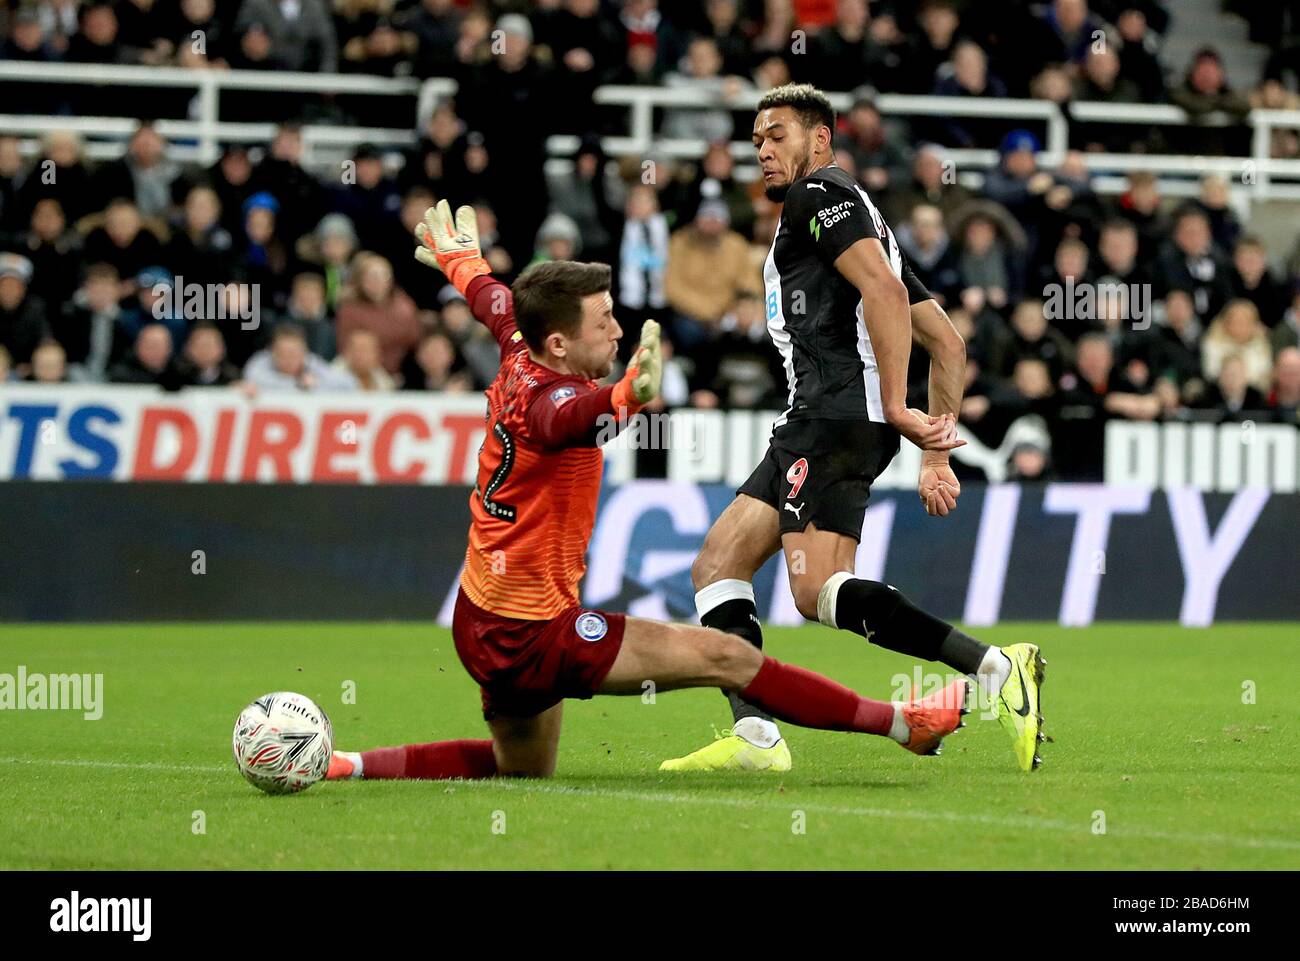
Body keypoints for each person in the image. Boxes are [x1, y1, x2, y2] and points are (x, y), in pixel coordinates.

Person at [323, 201, 970, 783]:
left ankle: (343, 764)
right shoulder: (554, 402)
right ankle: (900, 724)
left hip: (477, 617)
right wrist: (629, 393)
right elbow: (574, 418)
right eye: (603, 321)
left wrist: (461, 262)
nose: (617, 328)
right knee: (728, 656)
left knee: (518, 767)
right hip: (533, 631)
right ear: (560, 341)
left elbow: (493, 299)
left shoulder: (521, 343)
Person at [663, 84, 1047, 775]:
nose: (763, 150)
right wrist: (933, 450)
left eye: (776, 135)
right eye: (756, 140)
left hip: (833, 420)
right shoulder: (860, 221)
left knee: (816, 592)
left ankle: (994, 668)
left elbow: (889, 296)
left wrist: (899, 407)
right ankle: (755, 738)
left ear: (819, 139)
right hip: (817, 424)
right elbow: (950, 344)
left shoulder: (821, 196)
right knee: (718, 564)